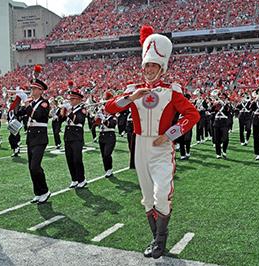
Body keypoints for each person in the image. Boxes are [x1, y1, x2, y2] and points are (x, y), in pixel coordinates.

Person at [105, 26, 200, 259]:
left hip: (161, 147)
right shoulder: (133, 90)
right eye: (146, 65)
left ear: (162, 67)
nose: (149, 70)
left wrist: (169, 134)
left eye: (153, 66)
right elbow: (109, 108)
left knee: (162, 195)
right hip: (140, 146)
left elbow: (193, 115)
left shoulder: (171, 91)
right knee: (147, 198)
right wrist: (130, 98)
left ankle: (160, 240)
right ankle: (157, 241)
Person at [17, 77, 51, 204]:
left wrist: (26, 103)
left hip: (40, 137)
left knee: (35, 166)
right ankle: (38, 192)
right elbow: (19, 113)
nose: (32, 90)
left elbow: (37, 115)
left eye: (34, 88)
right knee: (31, 167)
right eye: (31, 88)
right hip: (31, 137)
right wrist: (18, 102)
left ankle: (45, 190)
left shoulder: (44, 103)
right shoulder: (30, 102)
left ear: (41, 91)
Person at [59, 89, 88, 189]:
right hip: (68, 136)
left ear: (79, 99)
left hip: (77, 136)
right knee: (69, 159)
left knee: (77, 159)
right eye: (70, 99)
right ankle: (74, 179)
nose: (70, 100)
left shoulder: (82, 109)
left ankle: (81, 179)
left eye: (73, 99)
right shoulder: (69, 109)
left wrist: (69, 112)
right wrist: (61, 111)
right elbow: (60, 119)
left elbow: (78, 120)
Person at [97, 91, 117, 178]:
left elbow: (111, 125)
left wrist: (103, 119)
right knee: (103, 155)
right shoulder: (103, 116)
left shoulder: (113, 117)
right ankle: (107, 169)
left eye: (105, 109)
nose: (104, 110)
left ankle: (110, 169)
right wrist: (96, 117)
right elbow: (96, 124)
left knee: (107, 154)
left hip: (110, 136)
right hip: (102, 136)